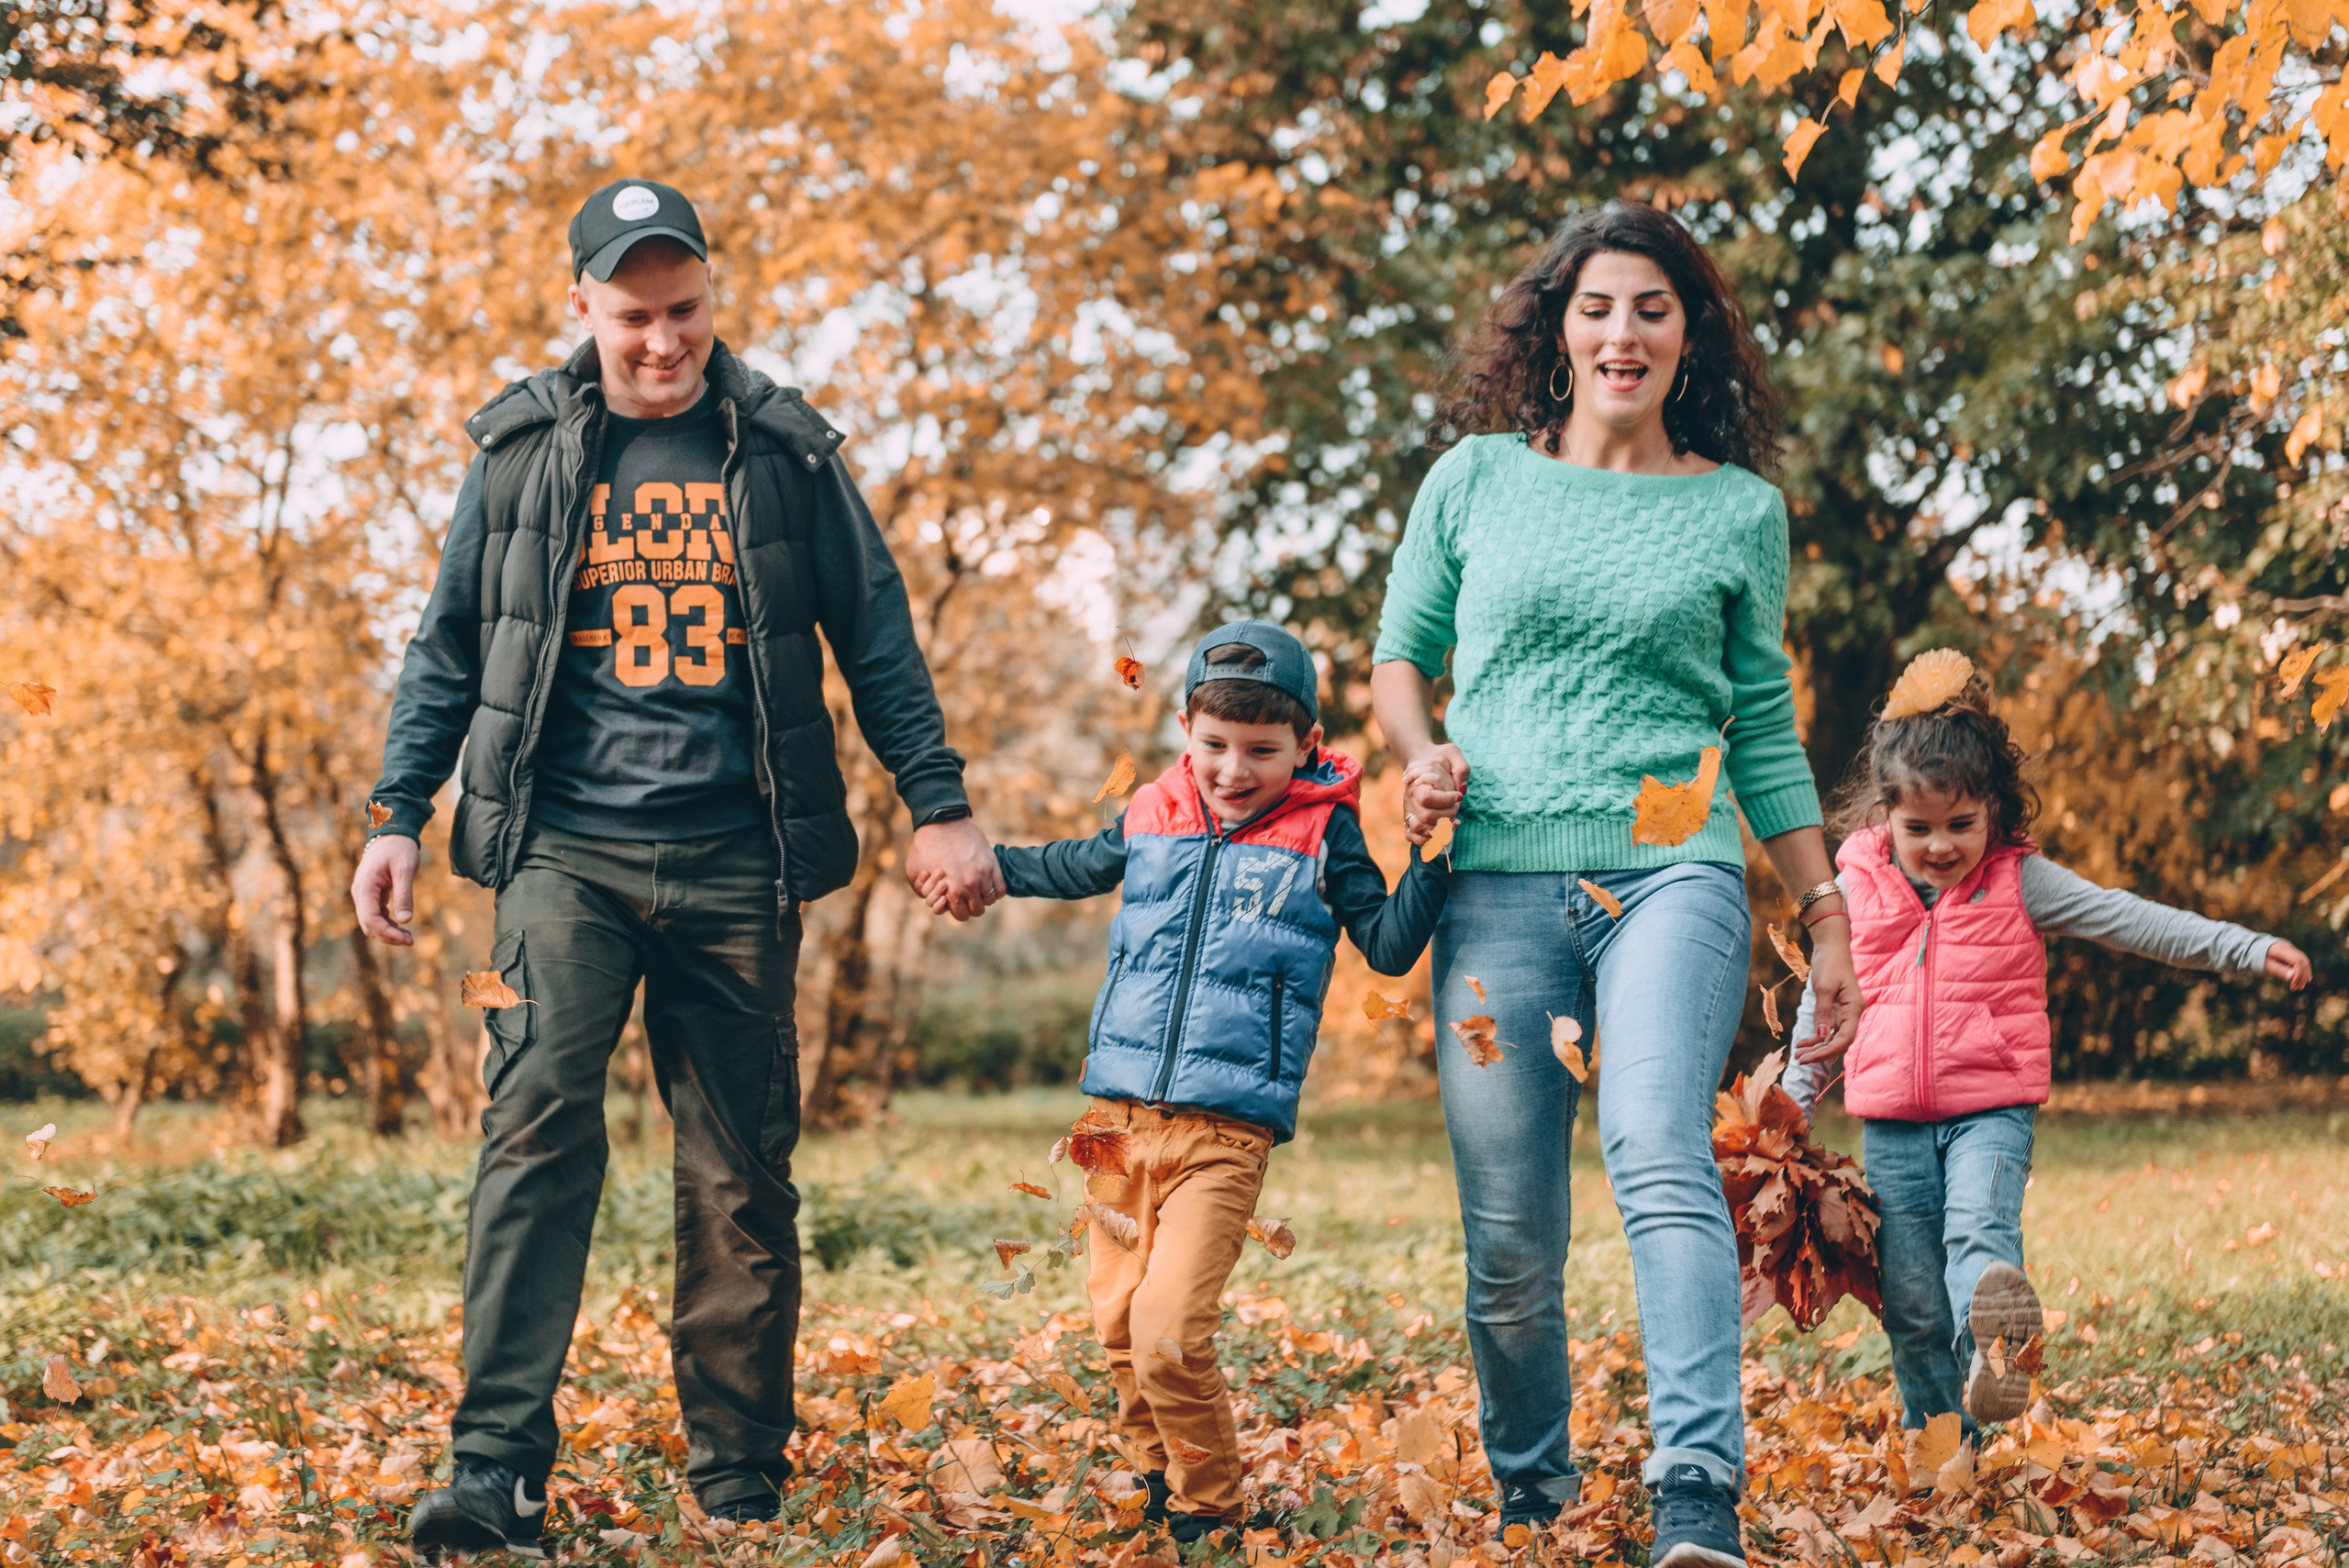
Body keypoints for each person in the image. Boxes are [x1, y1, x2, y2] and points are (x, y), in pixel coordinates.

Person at [349, 178, 1004, 1556]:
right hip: (562, 854)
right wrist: (397, 808)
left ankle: (738, 1475)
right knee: (534, 1126)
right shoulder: (520, 450)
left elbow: (876, 632)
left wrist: (938, 804)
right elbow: (450, 641)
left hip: (735, 859)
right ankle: (496, 1472)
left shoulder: (784, 451)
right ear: (582, 308)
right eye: (635, 316)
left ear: (712, 295)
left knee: (738, 1171)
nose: (664, 340)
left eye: (686, 309)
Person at [1369, 201, 1863, 1568]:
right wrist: (1420, 754)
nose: (1623, 332)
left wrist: (1825, 913)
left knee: (1656, 1146)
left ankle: (1696, 1494)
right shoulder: (1475, 479)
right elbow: (1401, 655)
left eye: (1652, 306)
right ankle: (1534, 1494)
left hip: (1673, 870)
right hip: (1495, 881)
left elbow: (1761, 731)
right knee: (1510, 1231)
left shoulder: (1738, 510)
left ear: (1688, 332)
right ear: (1559, 328)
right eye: (1597, 307)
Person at [925, 621, 1448, 1546]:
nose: (1233, 769)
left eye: (1262, 750)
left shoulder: (1324, 831)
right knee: (1118, 1324)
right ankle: (1152, 1478)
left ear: (1306, 744)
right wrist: (987, 868)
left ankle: (1210, 1508)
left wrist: (1435, 853)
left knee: (1168, 1327)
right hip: (1113, 1123)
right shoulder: (1154, 807)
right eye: (1215, 744)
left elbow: (1389, 943)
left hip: (1225, 1132)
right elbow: (1073, 863)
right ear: (1185, 732)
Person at [1781, 655, 2310, 1458]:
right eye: (1918, 828)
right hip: (1890, 1120)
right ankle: (1941, 1448)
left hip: (1992, 1111)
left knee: (1978, 1234)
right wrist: (1790, 1106)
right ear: (1885, 815)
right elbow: (1821, 1004)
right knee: (1911, 1299)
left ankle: (1998, 1349)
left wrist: (2244, 946)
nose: (1940, 846)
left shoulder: (2020, 880)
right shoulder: (1854, 889)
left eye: (1961, 824)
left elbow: (2128, 918)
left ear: (1993, 807)